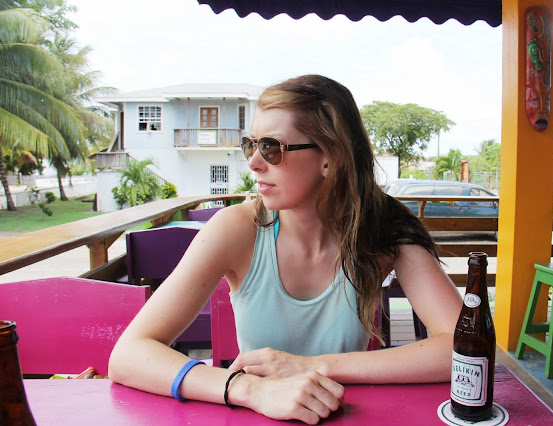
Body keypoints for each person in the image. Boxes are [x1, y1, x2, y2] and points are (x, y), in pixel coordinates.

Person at [109, 74, 462, 425]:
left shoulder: (380, 227)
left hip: (343, 414)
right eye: (251, 145)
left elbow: (465, 347)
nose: (253, 162)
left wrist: (312, 366)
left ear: (331, 156)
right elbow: (128, 354)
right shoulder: (237, 229)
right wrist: (251, 389)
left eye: (271, 148)